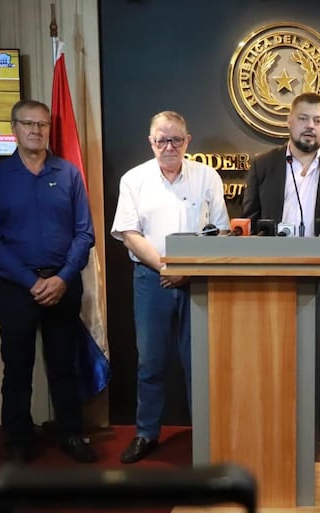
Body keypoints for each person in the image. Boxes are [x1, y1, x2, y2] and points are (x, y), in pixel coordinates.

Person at [242, 92, 320, 462]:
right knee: (273, 362)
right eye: (303, 119)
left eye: (317, 120)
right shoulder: (263, 165)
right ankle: (273, 433)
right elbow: (248, 221)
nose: (309, 127)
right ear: (289, 121)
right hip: (272, 281)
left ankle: (318, 438)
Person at [0, 99, 98, 463]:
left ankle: (70, 432)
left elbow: (85, 233)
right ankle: (18, 439)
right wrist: (31, 282)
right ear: (14, 128)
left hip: (64, 285)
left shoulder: (69, 174)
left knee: (63, 364)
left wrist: (62, 278)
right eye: (28, 123)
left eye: (42, 124)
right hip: (18, 289)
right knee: (17, 367)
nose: (36, 130)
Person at [111, 111, 230, 463]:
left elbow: (221, 231)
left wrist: (188, 271)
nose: (169, 147)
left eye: (176, 139)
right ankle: (146, 433)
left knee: (200, 364)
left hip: (198, 280)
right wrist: (167, 268)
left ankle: (206, 439)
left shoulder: (207, 176)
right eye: (162, 140)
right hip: (152, 280)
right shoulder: (134, 179)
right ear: (151, 142)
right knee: (151, 362)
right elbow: (130, 234)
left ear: (187, 141)